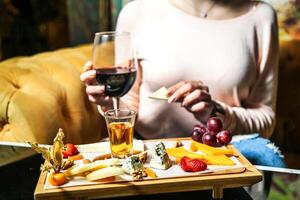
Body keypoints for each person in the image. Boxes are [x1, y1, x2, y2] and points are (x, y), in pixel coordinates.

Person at [80, 0, 279, 141]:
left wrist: (216, 113)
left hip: (225, 161)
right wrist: (110, 102)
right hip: (151, 159)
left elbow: (266, 120)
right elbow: (129, 105)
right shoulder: (136, 12)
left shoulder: (261, 17)